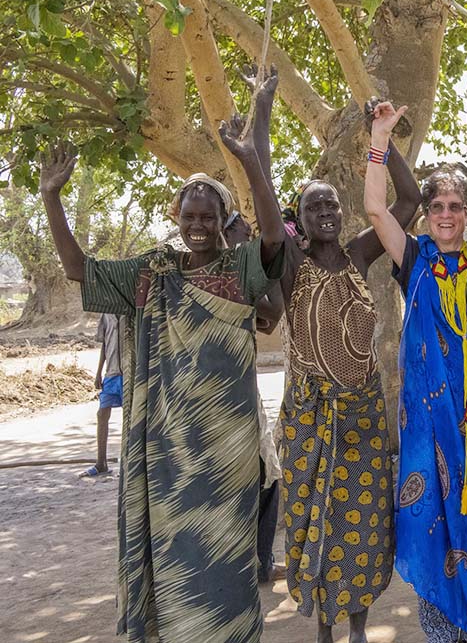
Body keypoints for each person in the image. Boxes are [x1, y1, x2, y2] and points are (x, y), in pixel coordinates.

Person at [39, 136, 284, 641]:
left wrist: (252, 161)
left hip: (227, 453)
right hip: (167, 451)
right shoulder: (154, 272)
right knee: (177, 562)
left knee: (226, 560)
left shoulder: (239, 269)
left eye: (208, 218)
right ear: (176, 216)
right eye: (189, 217)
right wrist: (51, 198)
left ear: (223, 219)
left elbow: (276, 241)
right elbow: (78, 271)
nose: (198, 227)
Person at [219, 74, 421, 643]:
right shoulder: (289, 266)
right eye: (315, 207)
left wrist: (384, 136)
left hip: (361, 414)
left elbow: (408, 202)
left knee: (363, 526)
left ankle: (359, 628)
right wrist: (258, 128)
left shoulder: (360, 253)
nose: (327, 212)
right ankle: (327, 631)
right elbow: (263, 212)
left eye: (332, 204)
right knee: (315, 524)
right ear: (300, 221)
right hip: (309, 416)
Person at [365, 101, 467, 642]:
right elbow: (377, 210)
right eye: (436, 206)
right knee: (426, 527)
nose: (445, 214)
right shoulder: (414, 259)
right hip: (423, 429)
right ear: (425, 216)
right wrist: (380, 139)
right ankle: (441, 633)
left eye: (455, 205)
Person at [223, 210, 285, 584]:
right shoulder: (222, 270)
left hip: (243, 390)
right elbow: (270, 311)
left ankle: (259, 561)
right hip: (222, 396)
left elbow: (270, 316)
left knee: (267, 475)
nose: (249, 237)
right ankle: (252, 563)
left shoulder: (237, 269)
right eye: (243, 231)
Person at [79, 312, 122, 478]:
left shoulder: (131, 310)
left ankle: (128, 463)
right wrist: (98, 372)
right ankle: (101, 462)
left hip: (128, 370)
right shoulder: (107, 314)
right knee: (102, 414)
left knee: (130, 419)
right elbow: (104, 345)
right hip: (111, 372)